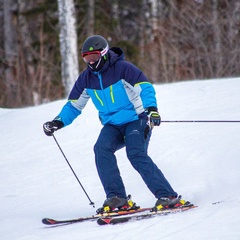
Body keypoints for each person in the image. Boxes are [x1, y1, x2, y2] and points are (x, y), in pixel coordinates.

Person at [43, 35, 186, 213]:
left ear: (103, 54)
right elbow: (73, 105)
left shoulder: (122, 69)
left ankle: (168, 197)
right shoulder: (86, 79)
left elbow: (145, 87)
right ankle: (117, 199)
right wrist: (58, 122)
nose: (90, 62)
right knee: (101, 149)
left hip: (136, 120)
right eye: (86, 58)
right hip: (112, 125)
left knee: (135, 154)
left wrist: (152, 109)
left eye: (94, 57)